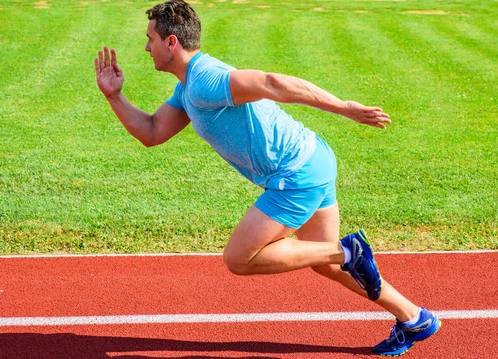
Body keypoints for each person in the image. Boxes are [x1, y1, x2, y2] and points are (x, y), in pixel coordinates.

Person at [94, 0, 440, 356]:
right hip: (313, 160)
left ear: (171, 43)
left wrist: (344, 107)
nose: (145, 46)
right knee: (326, 262)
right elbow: (152, 132)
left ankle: (348, 250)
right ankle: (414, 317)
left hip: (296, 174)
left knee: (239, 258)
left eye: (150, 38)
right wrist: (115, 96)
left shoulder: (206, 80)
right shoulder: (187, 89)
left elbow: (272, 82)